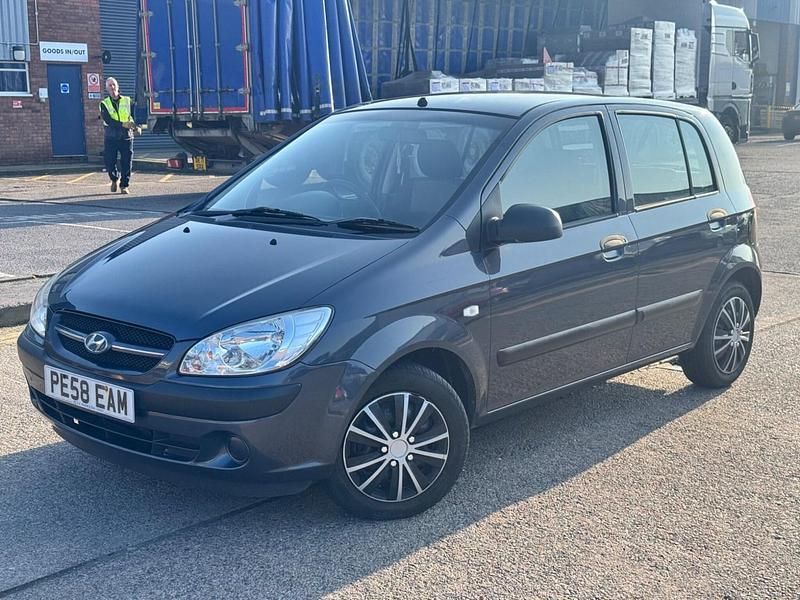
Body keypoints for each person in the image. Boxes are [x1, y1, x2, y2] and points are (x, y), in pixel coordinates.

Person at [100, 77, 140, 194]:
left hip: (126, 136)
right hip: (111, 137)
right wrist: (123, 124)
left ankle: (124, 185)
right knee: (109, 162)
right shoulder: (104, 104)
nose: (112, 87)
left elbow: (135, 115)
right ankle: (114, 179)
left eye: (113, 85)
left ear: (117, 86)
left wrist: (137, 126)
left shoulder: (128, 101)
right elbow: (108, 120)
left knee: (126, 162)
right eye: (109, 86)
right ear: (107, 89)